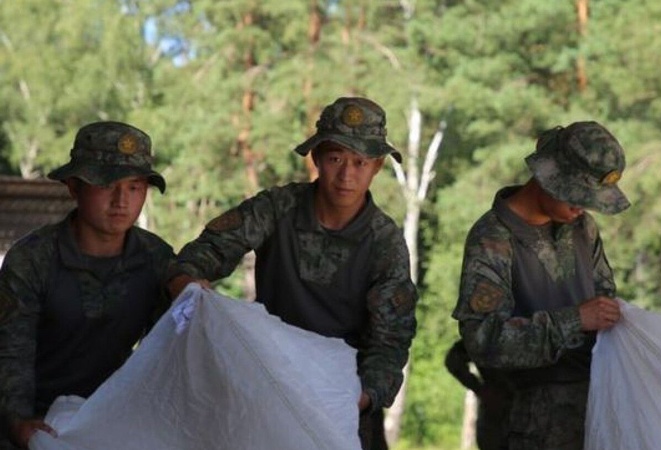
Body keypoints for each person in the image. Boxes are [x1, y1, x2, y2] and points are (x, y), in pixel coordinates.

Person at [166, 96, 418, 449]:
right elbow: (204, 253)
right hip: (267, 387)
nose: (347, 175)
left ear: (377, 166)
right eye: (335, 159)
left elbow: (390, 342)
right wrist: (189, 284)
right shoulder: (277, 207)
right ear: (316, 158)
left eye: (360, 162)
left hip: (341, 404)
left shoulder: (384, 242)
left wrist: (358, 398)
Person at [452, 121, 629, 450]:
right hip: (528, 423)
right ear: (548, 177)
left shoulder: (582, 228)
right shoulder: (493, 239)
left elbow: (605, 305)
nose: (582, 208)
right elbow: (483, 340)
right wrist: (574, 320)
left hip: (596, 414)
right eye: (576, 197)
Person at [0, 121, 175, 449]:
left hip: (111, 419)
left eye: (135, 186)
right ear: (74, 186)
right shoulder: (33, 258)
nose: (122, 200)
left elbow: (165, 350)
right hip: (32, 419)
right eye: (107, 185)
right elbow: (11, 354)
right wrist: (19, 423)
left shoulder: (156, 258)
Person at [445, 339, 511, 450]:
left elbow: (454, 360)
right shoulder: (491, 332)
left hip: (502, 409)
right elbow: (454, 360)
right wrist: (480, 390)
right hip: (499, 410)